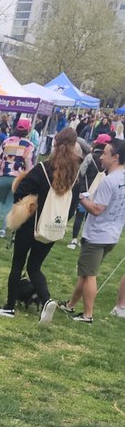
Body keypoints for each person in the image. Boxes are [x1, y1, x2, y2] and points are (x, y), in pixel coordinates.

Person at [0, 126, 81, 323]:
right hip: (52, 226)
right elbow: (73, 205)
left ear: (55, 143)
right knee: (35, 266)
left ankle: (9, 306)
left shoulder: (44, 168)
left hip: (31, 224)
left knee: (18, 264)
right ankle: (46, 298)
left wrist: (30, 205)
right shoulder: (75, 175)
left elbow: (21, 191)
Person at [57, 138, 125, 324]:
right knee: (86, 272)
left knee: (90, 275)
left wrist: (81, 198)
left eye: (105, 154)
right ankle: (71, 304)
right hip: (112, 235)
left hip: (97, 235)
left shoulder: (109, 181)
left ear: (116, 157)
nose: (101, 157)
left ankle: (87, 315)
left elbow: (97, 209)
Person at [0, 118, 34, 237]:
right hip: (17, 178)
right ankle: (3, 230)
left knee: (0, 201)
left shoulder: (6, 141)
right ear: (28, 129)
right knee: (10, 203)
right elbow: (29, 163)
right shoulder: (29, 145)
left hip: (3, 175)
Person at [68, 134, 110, 249]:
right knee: (90, 218)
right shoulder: (109, 161)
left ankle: (74, 240)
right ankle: (84, 240)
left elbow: (81, 171)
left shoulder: (90, 157)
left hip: (85, 190)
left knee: (79, 216)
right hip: (100, 192)